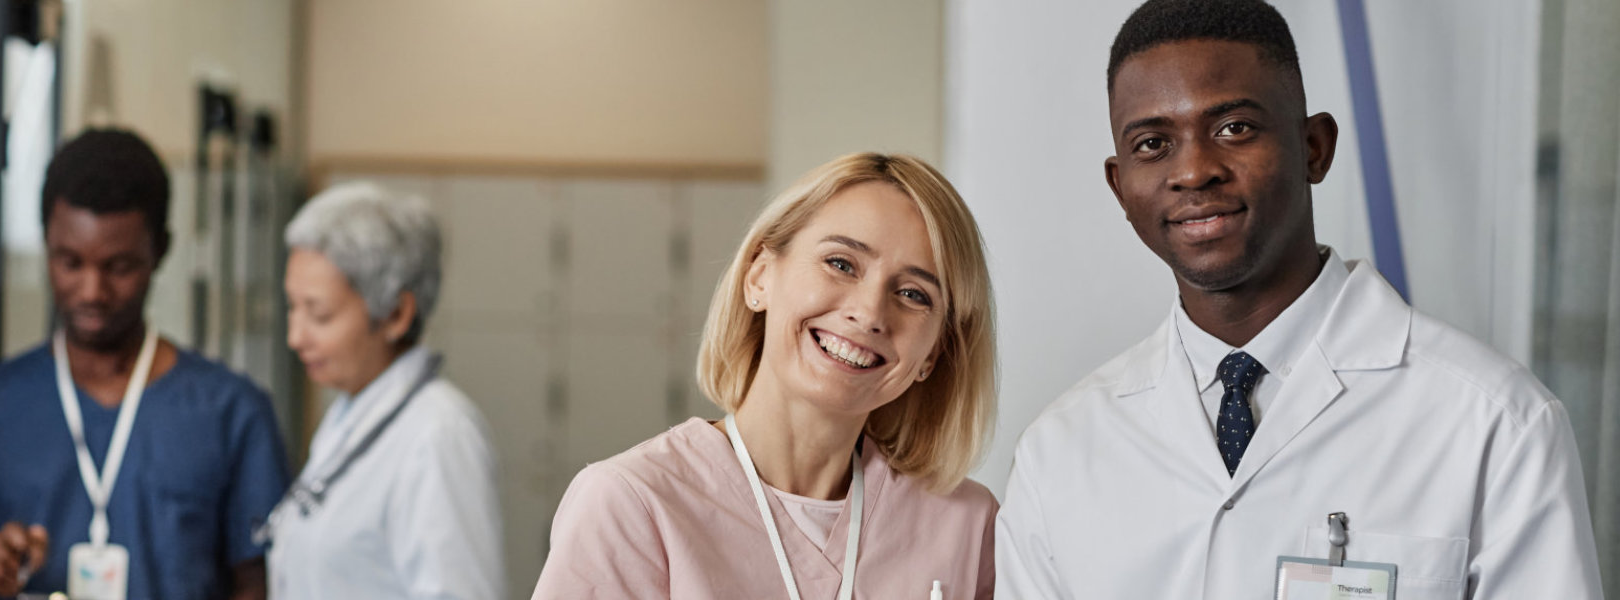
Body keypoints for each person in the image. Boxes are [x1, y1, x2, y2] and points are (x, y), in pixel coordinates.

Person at [993, 1, 1602, 598]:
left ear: (1315, 147)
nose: (1195, 171)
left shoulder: (1497, 424)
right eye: (1153, 144)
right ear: (1120, 186)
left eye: (1234, 128)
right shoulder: (1059, 453)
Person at [533, 152, 1001, 599]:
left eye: (913, 294)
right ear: (759, 277)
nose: (869, 312)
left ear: (933, 354)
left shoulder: (969, 528)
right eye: (841, 264)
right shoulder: (632, 503)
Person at [0, 129, 290, 599]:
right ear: (46, 243)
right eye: (69, 262)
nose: (92, 291)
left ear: (161, 250)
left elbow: (258, 583)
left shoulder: (232, 413)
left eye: (119, 267)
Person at [259, 182, 504, 599]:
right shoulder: (348, 414)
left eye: (318, 314)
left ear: (395, 314)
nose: (295, 337)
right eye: (292, 307)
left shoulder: (439, 434)